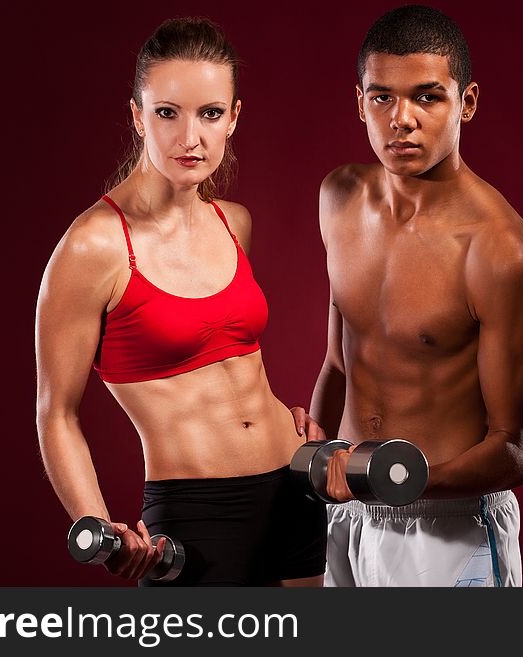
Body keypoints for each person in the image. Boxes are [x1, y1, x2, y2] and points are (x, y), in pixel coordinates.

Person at [35, 17, 325, 587]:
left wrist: (276, 415)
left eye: (210, 113)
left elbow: (229, 359)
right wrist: (96, 527)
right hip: (197, 515)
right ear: (137, 116)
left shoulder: (232, 222)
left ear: (234, 118)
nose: (189, 137)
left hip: (297, 488)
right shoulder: (93, 246)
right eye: (167, 112)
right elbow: (56, 414)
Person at [301, 5, 523, 587]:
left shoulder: (500, 252)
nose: (402, 119)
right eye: (382, 97)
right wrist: (316, 466)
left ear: (466, 102)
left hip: (449, 529)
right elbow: (341, 358)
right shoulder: (339, 198)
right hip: (345, 518)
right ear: (359, 102)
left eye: (427, 97)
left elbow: (517, 450)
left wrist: (395, 478)